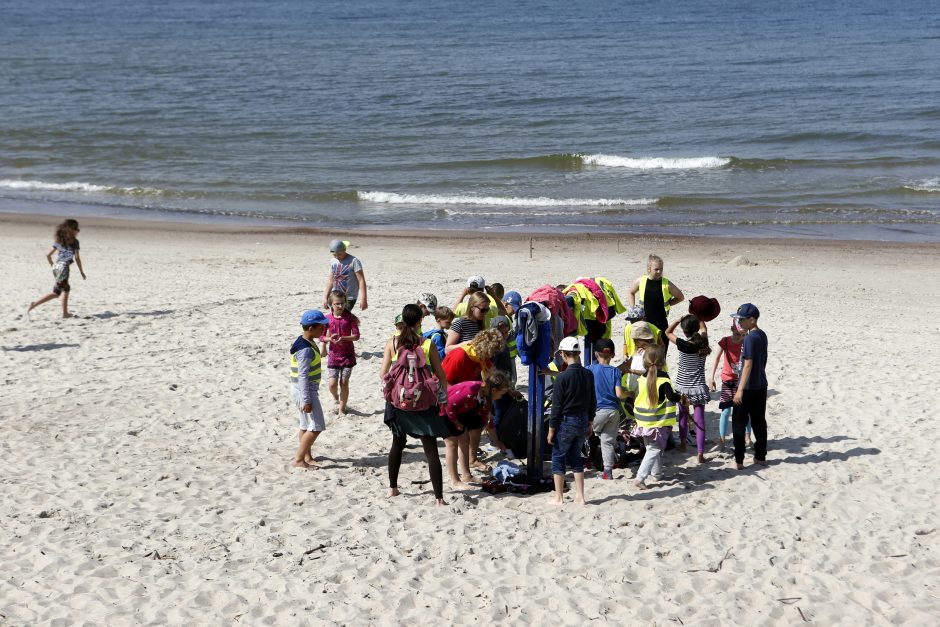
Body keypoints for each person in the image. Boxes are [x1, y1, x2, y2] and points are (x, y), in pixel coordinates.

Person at [379, 304, 452, 506]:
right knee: (430, 448)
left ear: (402, 320)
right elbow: (440, 375)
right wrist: (442, 399)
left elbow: (383, 373)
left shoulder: (393, 343)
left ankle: (393, 488)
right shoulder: (427, 344)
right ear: (421, 320)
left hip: (399, 401)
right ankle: (439, 498)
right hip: (424, 402)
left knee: (397, 444)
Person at [442, 328, 505, 471]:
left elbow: (493, 374)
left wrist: (509, 391)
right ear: (486, 347)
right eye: (493, 351)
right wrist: (458, 400)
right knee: (459, 437)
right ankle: (464, 467)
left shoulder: (480, 357)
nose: (493, 354)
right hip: (454, 397)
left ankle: (473, 459)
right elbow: (444, 380)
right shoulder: (460, 355)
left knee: (477, 425)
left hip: (469, 394)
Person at [441, 371, 512, 489]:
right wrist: (456, 422)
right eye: (501, 393)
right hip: (444, 411)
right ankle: (454, 480)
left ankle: (466, 475)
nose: (501, 397)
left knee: (464, 440)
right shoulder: (472, 390)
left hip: (457, 413)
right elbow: (449, 404)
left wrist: (497, 442)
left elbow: (488, 422)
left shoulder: (486, 397)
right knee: (452, 444)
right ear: (494, 390)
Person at [547, 336, 596, 506]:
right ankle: (580, 496)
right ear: (579, 353)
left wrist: (551, 429)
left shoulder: (562, 377)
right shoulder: (588, 374)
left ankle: (559, 497)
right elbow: (592, 400)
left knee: (558, 457)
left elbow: (557, 406)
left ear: (562, 354)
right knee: (576, 456)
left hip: (567, 421)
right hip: (583, 419)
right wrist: (590, 421)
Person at [665, 315, 712, 464]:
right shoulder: (703, 343)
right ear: (696, 328)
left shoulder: (683, 344)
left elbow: (667, 332)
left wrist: (678, 320)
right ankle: (700, 453)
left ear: (685, 331)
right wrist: (699, 316)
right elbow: (704, 328)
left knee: (683, 416)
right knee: (699, 419)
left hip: (683, 386)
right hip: (698, 386)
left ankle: (684, 445)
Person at [632, 346, 679, 489]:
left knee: (651, 447)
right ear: (662, 362)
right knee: (655, 448)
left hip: (642, 420)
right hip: (657, 421)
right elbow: (671, 396)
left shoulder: (641, 378)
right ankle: (640, 478)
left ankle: (656, 474)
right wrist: (680, 397)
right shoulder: (663, 377)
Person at [731, 304, 769, 469]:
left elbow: (748, 364)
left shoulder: (750, 338)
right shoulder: (762, 335)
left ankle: (739, 461)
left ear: (752, 320)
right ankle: (760, 456)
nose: (740, 322)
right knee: (759, 422)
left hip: (747, 388)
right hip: (761, 385)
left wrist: (739, 389)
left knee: (739, 424)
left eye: (742, 319)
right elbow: (763, 360)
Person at [290, 309, 328, 469]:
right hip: (305, 391)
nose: (324, 329)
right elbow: (303, 376)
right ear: (311, 328)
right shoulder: (305, 350)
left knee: (305, 425)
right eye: (321, 327)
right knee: (317, 426)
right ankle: (299, 459)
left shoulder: (305, 341)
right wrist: (307, 400)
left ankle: (307, 456)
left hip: (300, 389)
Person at [586, 339, 628, 480]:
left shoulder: (590, 369)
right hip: (613, 412)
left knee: (585, 436)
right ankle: (607, 472)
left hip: (597, 412)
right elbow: (619, 394)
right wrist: (630, 393)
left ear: (596, 354)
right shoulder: (615, 371)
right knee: (607, 441)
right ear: (613, 354)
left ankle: (585, 461)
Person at [28, 219, 86, 320]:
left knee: (62, 290)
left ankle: (63, 313)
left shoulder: (59, 241)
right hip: (64, 268)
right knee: (60, 291)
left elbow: (48, 255)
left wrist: (52, 265)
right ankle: (37, 305)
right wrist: (81, 271)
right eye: (76, 228)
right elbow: (77, 258)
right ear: (71, 230)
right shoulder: (75, 242)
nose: (79, 230)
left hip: (57, 267)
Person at [627, 255, 683, 354]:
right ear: (649, 269)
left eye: (661, 269)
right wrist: (633, 309)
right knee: (645, 353)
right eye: (656, 269)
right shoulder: (641, 281)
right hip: (644, 322)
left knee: (661, 353)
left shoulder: (666, 283)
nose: (659, 272)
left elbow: (680, 297)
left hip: (661, 323)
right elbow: (631, 292)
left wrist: (669, 303)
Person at [709, 321, 751, 449]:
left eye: (743, 335)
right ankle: (722, 439)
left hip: (742, 380)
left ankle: (748, 437)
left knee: (745, 411)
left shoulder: (746, 342)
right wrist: (711, 377)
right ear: (732, 329)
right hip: (727, 380)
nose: (740, 338)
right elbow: (716, 358)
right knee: (726, 410)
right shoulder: (725, 341)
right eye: (737, 334)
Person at [322, 290, 360, 415]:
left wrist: (342, 338)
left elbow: (356, 336)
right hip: (333, 356)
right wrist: (329, 339)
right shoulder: (327, 319)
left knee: (344, 382)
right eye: (337, 304)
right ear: (330, 304)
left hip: (348, 356)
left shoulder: (350, 318)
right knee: (332, 384)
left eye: (342, 303)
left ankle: (342, 409)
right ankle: (335, 397)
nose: (340, 306)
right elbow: (322, 337)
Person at [323, 239, 367, 311]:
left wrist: (364, 299)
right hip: (335, 296)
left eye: (339, 254)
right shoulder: (333, 261)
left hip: (349, 297)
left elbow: (361, 280)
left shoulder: (354, 261)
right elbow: (330, 280)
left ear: (345, 249)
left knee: (343, 317)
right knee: (335, 317)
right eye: (334, 255)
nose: (337, 257)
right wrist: (325, 297)